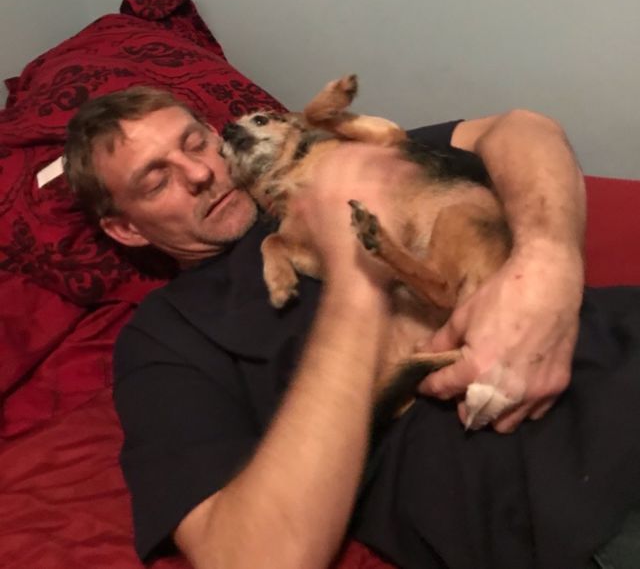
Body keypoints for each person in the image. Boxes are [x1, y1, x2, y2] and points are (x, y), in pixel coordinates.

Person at [64, 86, 640, 569]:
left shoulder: (325, 162)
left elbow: (522, 128)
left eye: (196, 143)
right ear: (126, 229)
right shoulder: (165, 337)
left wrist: (547, 261)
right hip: (576, 493)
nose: (200, 173)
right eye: (155, 181)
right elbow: (249, 557)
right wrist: (354, 275)